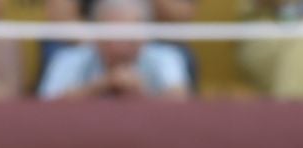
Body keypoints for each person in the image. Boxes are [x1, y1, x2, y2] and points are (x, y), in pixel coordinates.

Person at [39, 0, 193, 98]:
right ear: (96, 34)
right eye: (111, 34)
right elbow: (45, 109)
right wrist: (100, 86)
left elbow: (180, 106)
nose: (120, 46)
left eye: (129, 37)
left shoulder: (166, 57)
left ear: (145, 35)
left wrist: (141, 95)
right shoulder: (68, 59)